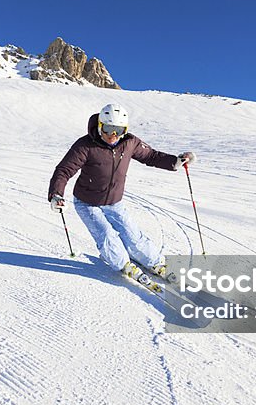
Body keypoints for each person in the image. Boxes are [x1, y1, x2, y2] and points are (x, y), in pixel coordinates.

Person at [48, 103, 196, 287]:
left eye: (118, 130)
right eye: (108, 129)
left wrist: (176, 161)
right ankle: (123, 263)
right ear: (100, 126)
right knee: (106, 235)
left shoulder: (130, 143)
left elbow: (151, 156)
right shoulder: (85, 145)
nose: (113, 135)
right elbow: (64, 170)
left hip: (114, 201)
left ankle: (156, 263)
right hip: (87, 202)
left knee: (133, 235)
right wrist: (56, 194)